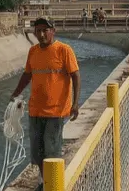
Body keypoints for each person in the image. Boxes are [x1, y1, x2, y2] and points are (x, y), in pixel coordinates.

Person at [10, 17, 81, 191]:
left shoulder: (64, 50)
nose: (41, 34)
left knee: (52, 150)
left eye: (45, 30)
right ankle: (44, 182)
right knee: (37, 152)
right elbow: (27, 75)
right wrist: (16, 94)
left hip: (56, 111)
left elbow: (75, 76)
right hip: (35, 110)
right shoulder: (33, 52)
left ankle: (54, 184)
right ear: (34, 32)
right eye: (38, 30)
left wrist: (75, 103)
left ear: (52, 31)